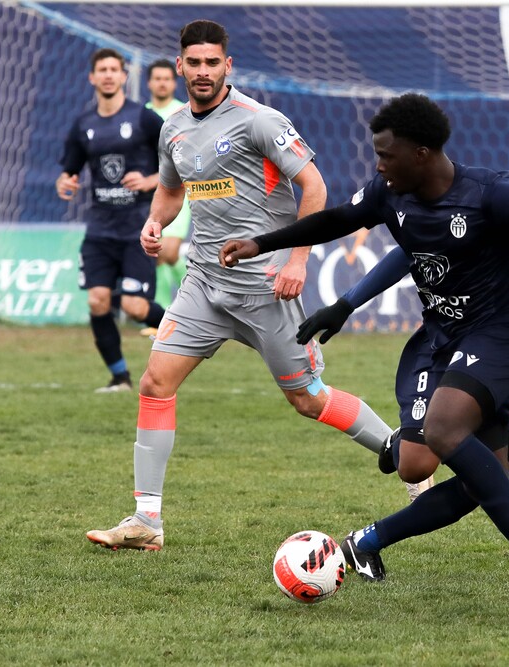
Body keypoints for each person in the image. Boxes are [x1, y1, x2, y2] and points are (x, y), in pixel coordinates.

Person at [220, 93, 509, 603]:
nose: (378, 165)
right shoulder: (393, 192)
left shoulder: (493, 195)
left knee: (449, 436)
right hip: (444, 335)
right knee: (443, 466)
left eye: (386, 155)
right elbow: (342, 222)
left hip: (504, 332)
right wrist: (270, 249)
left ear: (420, 153)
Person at [85, 20, 393, 552]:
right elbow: (171, 190)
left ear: (227, 66)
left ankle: (402, 451)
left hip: (266, 287)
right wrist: (155, 221)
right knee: (155, 383)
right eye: (194, 63)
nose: (203, 72)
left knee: (308, 399)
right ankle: (146, 520)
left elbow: (315, 187)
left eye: (213, 63)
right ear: (180, 66)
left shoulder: (260, 120)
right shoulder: (173, 127)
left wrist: (298, 260)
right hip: (204, 283)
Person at [56, 48, 168, 393]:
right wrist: (65, 182)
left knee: (135, 307)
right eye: (101, 70)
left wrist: (150, 181)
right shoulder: (83, 125)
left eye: (113, 69)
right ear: (92, 77)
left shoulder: (145, 118)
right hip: (100, 230)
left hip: (137, 228)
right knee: (97, 300)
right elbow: (69, 171)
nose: (107, 75)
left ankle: (189, 327)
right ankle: (120, 378)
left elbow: (178, 160)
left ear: (123, 76)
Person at [144, 60, 190, 313]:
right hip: (147, 196)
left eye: (167, 78)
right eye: (157, 78)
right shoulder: (141, 114)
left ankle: (199, 300)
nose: (162, 83)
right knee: (156, 254)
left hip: (177, 192)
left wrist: (154, 179)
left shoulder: (183, 113)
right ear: (149, 83)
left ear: (174, 83)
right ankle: (161, 314)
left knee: (169, 252)